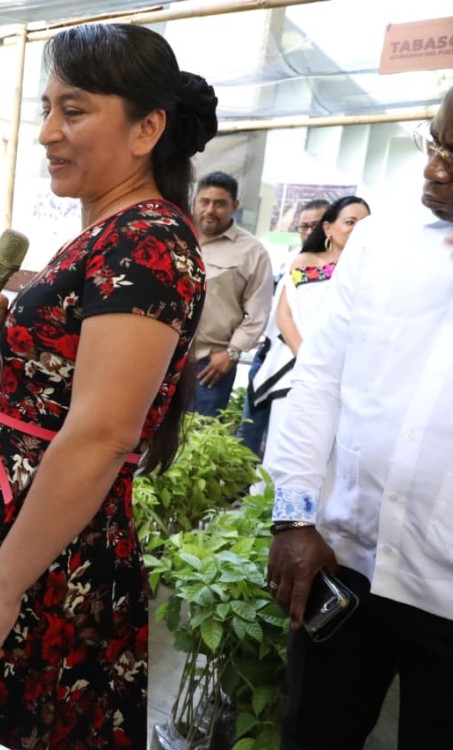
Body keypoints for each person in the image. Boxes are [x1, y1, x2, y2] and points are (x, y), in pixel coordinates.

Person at [0, 23, 216, 746]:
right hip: (16, 527)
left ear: (147, 129)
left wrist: (2, 587)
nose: (47, 133)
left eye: (72, 111)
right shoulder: (110, 231)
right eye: (45, 109)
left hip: (46, 554)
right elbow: (49, 402)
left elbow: (102, 434)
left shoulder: (147, 241)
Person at [265, 89, 453, 749]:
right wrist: (293, 518)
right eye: (434, 143)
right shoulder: (381, 239)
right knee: (312, 735)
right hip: (345, 562)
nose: (433, 168)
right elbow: (318, 381)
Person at [243, 195, 369, 461]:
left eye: (365, 223)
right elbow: (285, 316)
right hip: (296, 370)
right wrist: (309, 362)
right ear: (328, 228)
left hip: (347, 378)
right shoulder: (305, 262)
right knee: (286, 450)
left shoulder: (375, 271)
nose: (358, 228)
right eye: (350, 222)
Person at [236, 197, 332, 454]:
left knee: (286, 439)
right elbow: (281, 316)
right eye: (304, 226)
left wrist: (306, 360)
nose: (309, 232)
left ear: (328, 226)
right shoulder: (293, 260)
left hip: (305, 363)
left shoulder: (340, 267)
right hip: (271, 355)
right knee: (249, 432)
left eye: (315, 225)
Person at [190, 170, 273, 417]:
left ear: (234, 206)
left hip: (210, 366)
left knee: (199, 434)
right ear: (194, 201)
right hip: (163, 358)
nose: (210, 210)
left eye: (220, 204)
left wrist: (232, 353)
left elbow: (258, 313)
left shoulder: (252, 252)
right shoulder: (177, 236)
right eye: (204, 202)